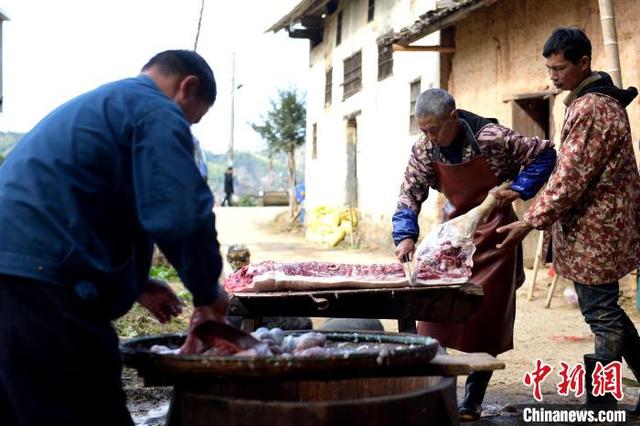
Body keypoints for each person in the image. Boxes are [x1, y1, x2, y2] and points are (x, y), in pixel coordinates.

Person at [0, 49, 229, 426]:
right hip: (40, 294)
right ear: (188, 87)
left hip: (17, 283)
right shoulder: (155, 110)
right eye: (193, 119)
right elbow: (182, 213)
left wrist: (135, 284)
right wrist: (208, 295)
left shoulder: (107, 105)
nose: (186, 127)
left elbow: (76, 208)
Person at [496, 27, 640, 409]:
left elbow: (570, 177)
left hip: (599, 229)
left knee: (602, 316)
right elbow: (568, 170)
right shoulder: (588, 102)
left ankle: (601, 404)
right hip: (600, 227)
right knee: (604, 310)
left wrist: (530, 220)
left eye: (559, 68)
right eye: (549, 69)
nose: (553, 76)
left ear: (584, 64)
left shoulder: (592, 107)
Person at [393, 88, 556, 421]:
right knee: (432, 318)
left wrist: (522, 188)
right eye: (423, 130)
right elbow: (409, 193)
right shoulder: (425, 148)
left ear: (453, 117)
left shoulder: (492, 138)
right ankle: (438, 391)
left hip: (495, 239)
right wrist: (405, 236)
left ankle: (473, 397)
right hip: (451, 238)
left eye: (434, 129)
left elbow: (545, 154)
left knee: (486, 319)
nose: (430, 136)